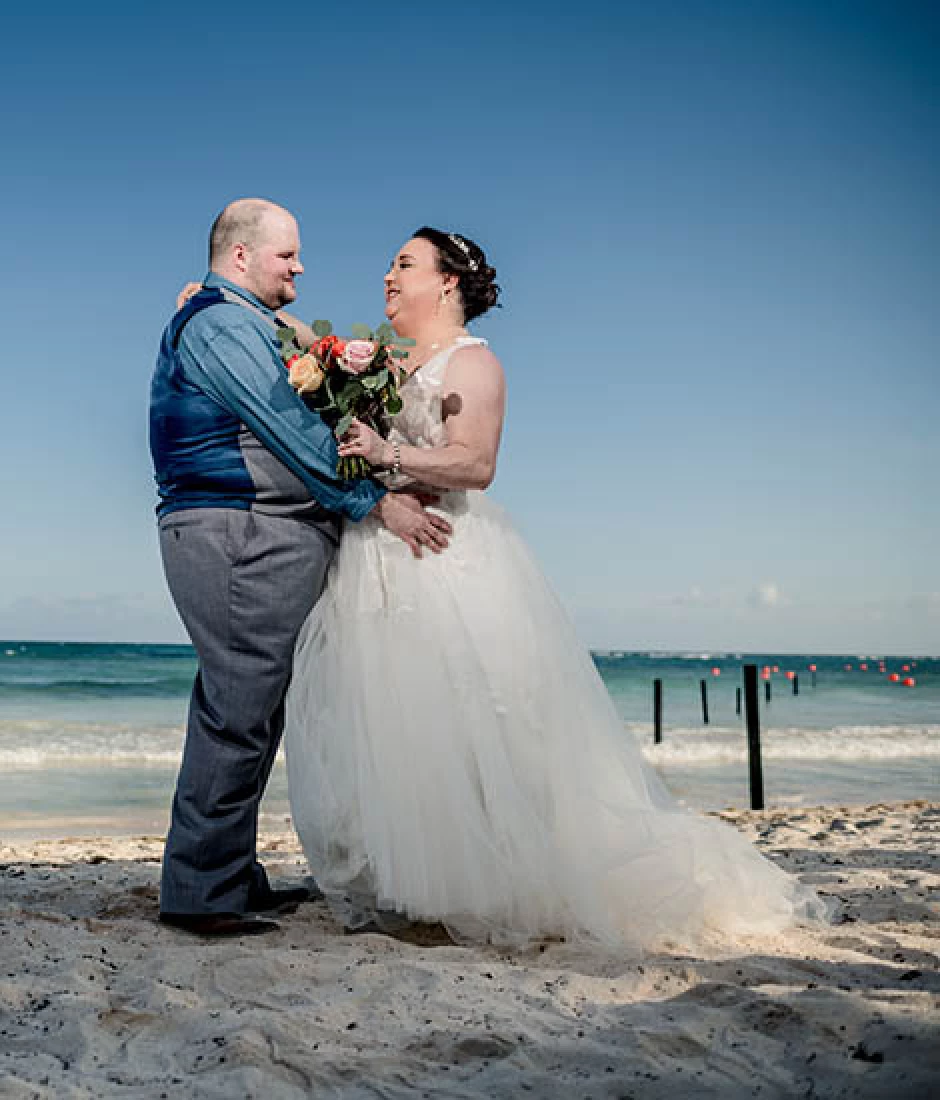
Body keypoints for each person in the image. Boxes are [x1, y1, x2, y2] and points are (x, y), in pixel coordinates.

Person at [283, 227, 829, 948]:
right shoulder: (382, 360)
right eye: (389, 263)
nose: (387, 275)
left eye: (403, 264)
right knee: (387, 720)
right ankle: (410, 881)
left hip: (442, 552)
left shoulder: (473, 364)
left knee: (463, 723)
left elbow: (475, 464)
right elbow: (317, 356)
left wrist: (388, 453)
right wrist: (249, 308)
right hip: (375, 548)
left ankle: (485, 884)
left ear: (447, 283)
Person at [150, 199, 452, 938]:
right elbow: (289, 428)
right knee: (239, 709)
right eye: (288, 255)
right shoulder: (221, 323)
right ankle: (200, 896)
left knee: (250, 706)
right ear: (243, 256)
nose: (300, 266)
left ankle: (225, 873)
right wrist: (375, 502)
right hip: (239, 534)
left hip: (254, 533)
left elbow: (305, 373)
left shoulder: (240, 319)